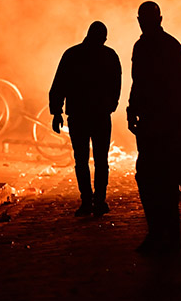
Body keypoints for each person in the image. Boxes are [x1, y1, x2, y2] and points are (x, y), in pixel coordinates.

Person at [128, 1, 181, 255]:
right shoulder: (170, 45)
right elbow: (139, 81)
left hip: (158, 121)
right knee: (160, 177)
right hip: (160, 121)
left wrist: (133, 109)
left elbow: (140, 82)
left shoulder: (146, 47)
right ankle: (167, 235)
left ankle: (161, 234)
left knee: (153, 177)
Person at [50, 21, 122, 217]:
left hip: (78, 115)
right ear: (103, 38)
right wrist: (111, 106)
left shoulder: (72, 55)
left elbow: (59, 85)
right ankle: (99, 201)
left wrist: (56, 112)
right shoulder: (109, 56)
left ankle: (87, 201)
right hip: (100, 116)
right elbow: (116, 84)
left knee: (81, 160)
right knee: (101, 161)